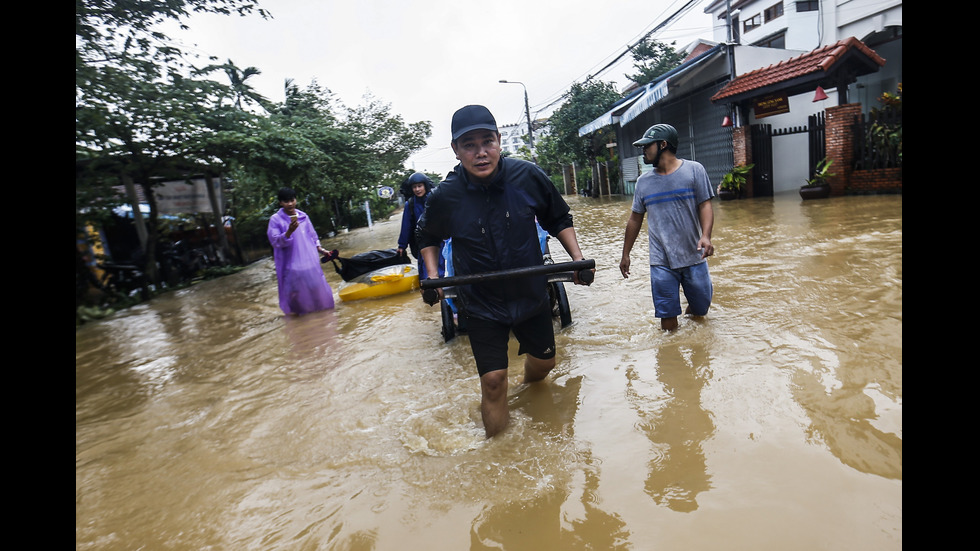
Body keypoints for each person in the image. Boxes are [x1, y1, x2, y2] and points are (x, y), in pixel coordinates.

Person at [416, 104, 592, 438]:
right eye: (469, 145)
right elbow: (428, 236)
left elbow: (558, 218)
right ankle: (500, 454)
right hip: (481, 303)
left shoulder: (527, 176)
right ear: (456, 150)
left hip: (530, 294)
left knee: (544, 365)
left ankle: (527, 389)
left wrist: (578, 260)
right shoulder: (446, 196)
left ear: (499, 141)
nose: (480, 153)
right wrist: (433, 278)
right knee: (494, 382)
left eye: (487, 142)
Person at [619, 123, 715, 332]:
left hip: (693, 255)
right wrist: (626, 254)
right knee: (667, 318)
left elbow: (705, 204)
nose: (643, 150)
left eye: (647, 146)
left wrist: (706, 236)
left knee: (700, 309)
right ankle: (671, 358)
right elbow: (635, 219)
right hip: (661, 260)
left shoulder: (694, 171)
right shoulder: (643, 182)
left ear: (663, 144)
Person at [267, 187, 336, 315]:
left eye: (292, 200)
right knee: (299, 301)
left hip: (311, 264)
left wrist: (321, 250)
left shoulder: (303, 216)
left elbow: (313, 236)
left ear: (296, 200)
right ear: (280, 203)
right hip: (292, 267)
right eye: (286, 201)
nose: (290, 204)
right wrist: (288, 232)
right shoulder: (275, 220)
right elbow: (275, 241)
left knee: (320, 297)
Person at [396, 172, 445, 279]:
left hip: (439, 240)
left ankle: (441, 292)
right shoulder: (411, 204)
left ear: (425, 186)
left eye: (420, 186)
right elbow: (406, 226)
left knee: (440, 268)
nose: (417, 189)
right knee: (425, 271)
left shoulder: (434, 199)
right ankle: (431, 292)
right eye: (414, 187)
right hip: (422, 242)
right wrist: (402, 246)